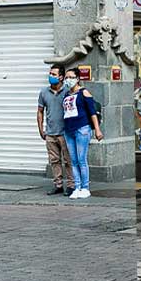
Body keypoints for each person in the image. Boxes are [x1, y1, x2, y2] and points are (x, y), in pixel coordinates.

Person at [61, 67, 103, 199]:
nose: (68, 80)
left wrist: (97, 129)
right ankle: (77, 187)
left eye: (71, 77)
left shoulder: (84, 92)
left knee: (81, 159)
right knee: (73, 161)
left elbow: (92, 112)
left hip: (82, 128)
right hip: (69, 130)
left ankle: (85, 187)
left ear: (78, 79)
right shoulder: (67, 95)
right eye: (66, 77)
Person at [37, 64, 73, 196]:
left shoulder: (68, 92)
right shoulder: (44, 92)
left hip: (65, 133)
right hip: (50, 133)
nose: (50, 76)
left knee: (68, 160)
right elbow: (40, 111)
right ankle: (58, 185)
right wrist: (41, 129)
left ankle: (71, 185)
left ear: (61, 77)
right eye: (50, 74)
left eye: (54, 74)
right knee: (54, 160)